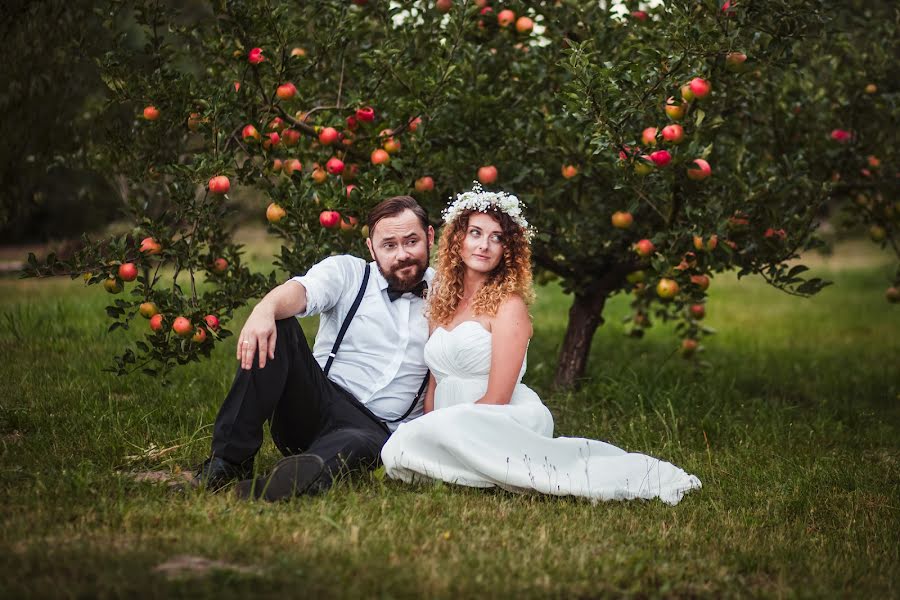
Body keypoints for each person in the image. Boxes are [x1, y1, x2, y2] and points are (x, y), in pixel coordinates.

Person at [380, 186, 702, 505]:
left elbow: (497, 399)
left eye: (497, 238)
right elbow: (436, 380)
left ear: (508, 249)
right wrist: (428, 426)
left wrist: (445, 432)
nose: (484, 245)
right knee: (400, 447)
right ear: (457, 239)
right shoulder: (440, 301)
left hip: (495, 418)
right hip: (450, 420)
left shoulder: (509, 306)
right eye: (476, 233)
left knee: (404, 448)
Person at [192, 195, 435, 501]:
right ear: (372, 248)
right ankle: (228, 462)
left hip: (377, 428)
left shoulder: (449, 295)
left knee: (354, 445)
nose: (402, 254)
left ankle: (295, 478)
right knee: (280, 325)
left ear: (430, 237)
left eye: (411, 241)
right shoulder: (348, 273)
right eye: (389, 245)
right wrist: (265, 308)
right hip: (316, 403)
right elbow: (301, 292)